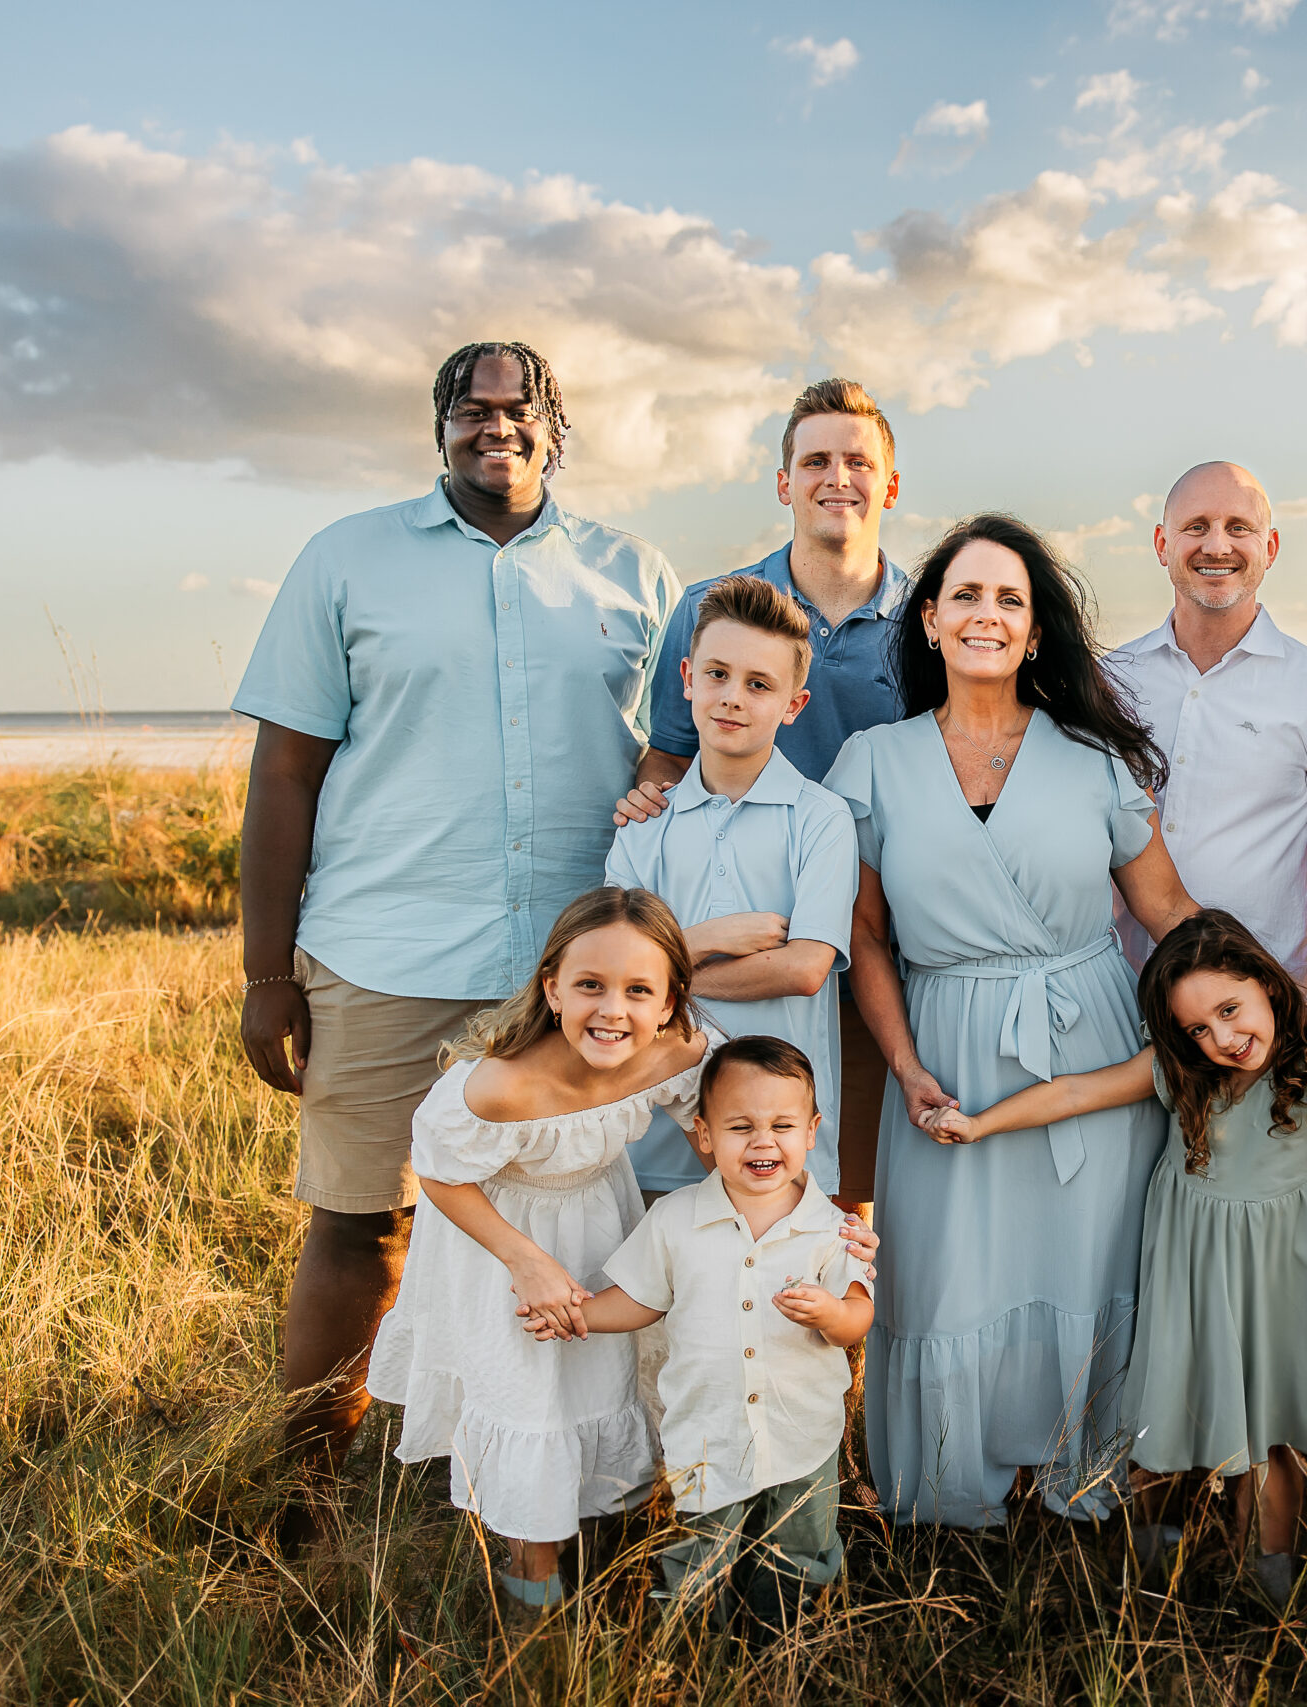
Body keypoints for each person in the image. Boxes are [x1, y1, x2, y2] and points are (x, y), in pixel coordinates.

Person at [231, 342, 679, 1498]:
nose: (498, 424)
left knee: (585, 1224)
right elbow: (283, 772)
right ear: (437, 425)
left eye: (521, 407)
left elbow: (680, 759)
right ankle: (306, 1482)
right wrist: (264, 975)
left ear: (555, 430)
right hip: (386, 951)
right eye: (472, 407)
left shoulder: (636, 575)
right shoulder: (345, 561)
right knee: (359, 1225)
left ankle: (569, 1478)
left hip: (571, 977)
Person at [823, 513, 1200, 1527]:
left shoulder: (1092, 761)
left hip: (1090, 1041)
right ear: (932, 621)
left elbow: (1165, 911)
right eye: (967, 596)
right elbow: (864, 938)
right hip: (941, 1047)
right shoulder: (871, 761)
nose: (987, 614)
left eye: (1010, 599)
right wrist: (902, 1066)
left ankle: (1086, 1482)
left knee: (1083, 1264)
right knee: (947, 1276)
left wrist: (1256, 1000)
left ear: (1036, 634)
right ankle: (948, 1496)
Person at [923, 908, 1307, 1602]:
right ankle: (1151, 1578)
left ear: (1266, 979)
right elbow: (1079, 1091)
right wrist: (982, 1122)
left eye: (1230, 1010)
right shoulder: (1183, 1069)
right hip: (1185, 1268)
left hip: (1269, 1278)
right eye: (1199, 1027)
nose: (1223, 1038)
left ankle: (1270, 1585)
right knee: (1162, 1412)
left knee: (1268, 1431)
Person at [362, 887, 712, 1622]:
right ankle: (533, 1615)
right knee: (530, 1401)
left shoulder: (678, 1052)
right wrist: (524, 1260)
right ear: (552, 987)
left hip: (600, 1219)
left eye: (637, 990)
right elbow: (440, 1173)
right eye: (589, 985)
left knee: (602, 1377)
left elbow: (711, 1137)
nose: (612, 1011)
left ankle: (607, 1552)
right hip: (499, 1237)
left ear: (671, 1000)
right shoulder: (502, 1084)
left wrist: (769, 1226)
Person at [618, 378, 909, 1207]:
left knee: (841, 1189)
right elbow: (670, 756)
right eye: (815, 459)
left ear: (888, 486)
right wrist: (647, 803)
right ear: (785, 483)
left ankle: (829, 1335)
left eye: (858, 461)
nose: (837, 477)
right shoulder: (716, 609)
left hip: (880, 942)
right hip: (734, 934)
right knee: (695, 1183)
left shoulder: (927, 619)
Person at [526, 1035, 873, 1636]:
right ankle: (686, 1648)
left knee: (801, 1549)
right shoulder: (676, 1218)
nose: (763, 1141)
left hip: (802, 1432)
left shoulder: (832, 1228)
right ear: (705, 1134)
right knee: (697, 1551)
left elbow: (856, 1320)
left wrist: (829, 1314)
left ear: (812, 1131)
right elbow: (638, 1301)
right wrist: (577, 1314)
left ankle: (782, 1642)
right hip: (705, 1432)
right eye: (741, 1127)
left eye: (782, 1125)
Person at [605, 576, 859, 1198]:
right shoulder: (645, 824)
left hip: (781, 1157)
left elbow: (802, 969)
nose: (732, 699)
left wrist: (659, 979)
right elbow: (606, 974)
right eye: (717, 675)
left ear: (792, 705)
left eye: (759, 685)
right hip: (651, 1145)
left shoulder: (821, 818)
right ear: (687, 677)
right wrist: (711, 939)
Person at [1107, 462, 1307, 1016]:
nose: (1217, 545)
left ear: (1270, 546)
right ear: (1162, 543)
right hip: (1117, 1003)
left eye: (1238, 527)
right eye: (1196, 526)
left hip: (1257, 1022)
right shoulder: (1110, 682)